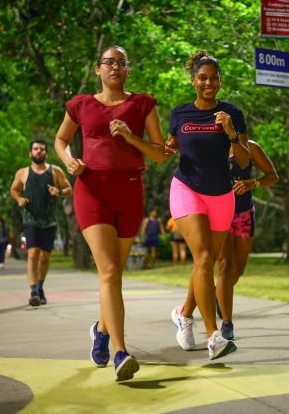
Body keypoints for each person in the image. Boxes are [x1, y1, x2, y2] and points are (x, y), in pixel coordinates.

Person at [54, 45, 173, 381]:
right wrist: (69, 161)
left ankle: (100, 330)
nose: (115, 68)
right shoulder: (81, 104)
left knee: (114, 275)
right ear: (98, 70)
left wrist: (131, 136)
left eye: (121, 63)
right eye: (108, 63)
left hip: (130, 191)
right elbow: (61, 140)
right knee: (108, 269)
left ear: (128, 70)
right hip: (91, 191)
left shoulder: (143, 104)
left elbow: (160, 154)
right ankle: (121, 351)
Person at [167, 50, 250, 360]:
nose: (209, 83)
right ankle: (213, 335)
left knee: (205, 262)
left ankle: (183, 313)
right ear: (193, 81)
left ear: (220, 81)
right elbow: (171, 146)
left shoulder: (233, 113)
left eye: (214, 78)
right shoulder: (180, 114)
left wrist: (230, 132)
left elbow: (243, 160)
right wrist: (164, 147)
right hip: (187, 188)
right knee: (203, 256)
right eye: (202, 78)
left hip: (221, 194)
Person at [216, 140, 279, 340]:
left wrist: (254, 183)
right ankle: (227, 323)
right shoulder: (210, 144)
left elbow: (272, 176)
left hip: (243, 213)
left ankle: (221, 296)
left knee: (238, 270)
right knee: (225, 265)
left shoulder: (251, 147)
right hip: (218, 212)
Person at [11, 139, 72, 307]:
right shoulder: (23, 173)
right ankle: (33, 292)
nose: (39, 151)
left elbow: (69, 190)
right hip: (31, 219)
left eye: (42, 149)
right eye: (36, 149)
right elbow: (14, 189)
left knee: (44, 257)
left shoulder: (55, 171)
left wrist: (58, 191)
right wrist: (19, 199)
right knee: (33, 254)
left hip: (49, 221)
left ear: (46, 153)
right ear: (30, 153)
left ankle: (40, 286)